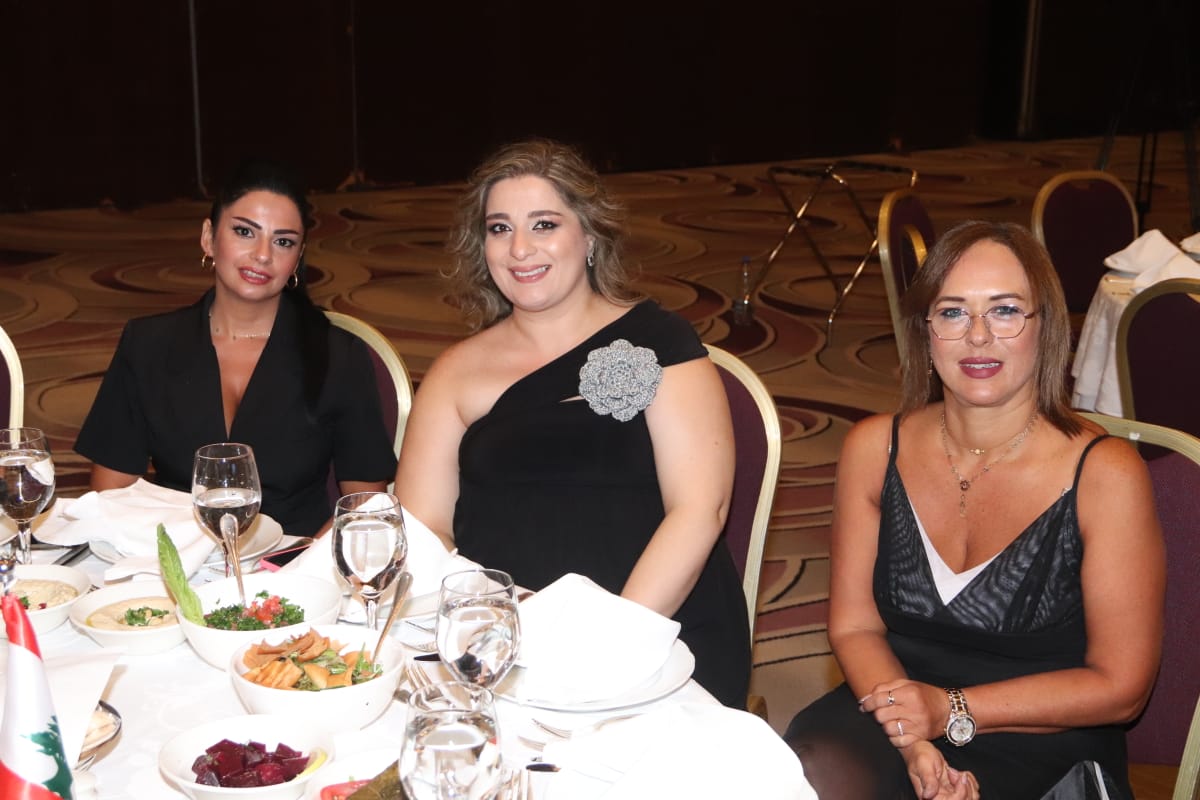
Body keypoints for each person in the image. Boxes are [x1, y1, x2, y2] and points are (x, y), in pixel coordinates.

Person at [784, 220, 1164, 799]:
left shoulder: (1104, 474)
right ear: (926, 331)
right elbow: (855, 627)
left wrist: (951, 709)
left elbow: (1121, 687)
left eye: (1005, 311)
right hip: (896, 698)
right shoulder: (874, 447)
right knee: (813, 771)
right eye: (953, 312)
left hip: (1045, 733)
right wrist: (912, 735)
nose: (978, 336)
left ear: (1045, 327)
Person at [395, 138, 751, 707]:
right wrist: (489, 621)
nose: (520, 249)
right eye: (499, 228)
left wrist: (604, 642)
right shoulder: (456, 371)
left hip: (649, 631)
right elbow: (425, 527)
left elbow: (698, 510)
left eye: (544, 224)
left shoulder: (656, 343)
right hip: (504, 637)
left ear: (589, 236)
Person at [75, 158, 397, 538]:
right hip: (177, 559)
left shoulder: (338, 357)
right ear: (208, 237)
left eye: (283, 241)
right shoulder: (148, 345)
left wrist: (299, 565)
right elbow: (112, 490)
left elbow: (363, 501)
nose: (263, 254)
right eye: (245, 232)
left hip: (295, 560)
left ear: (297, 257)